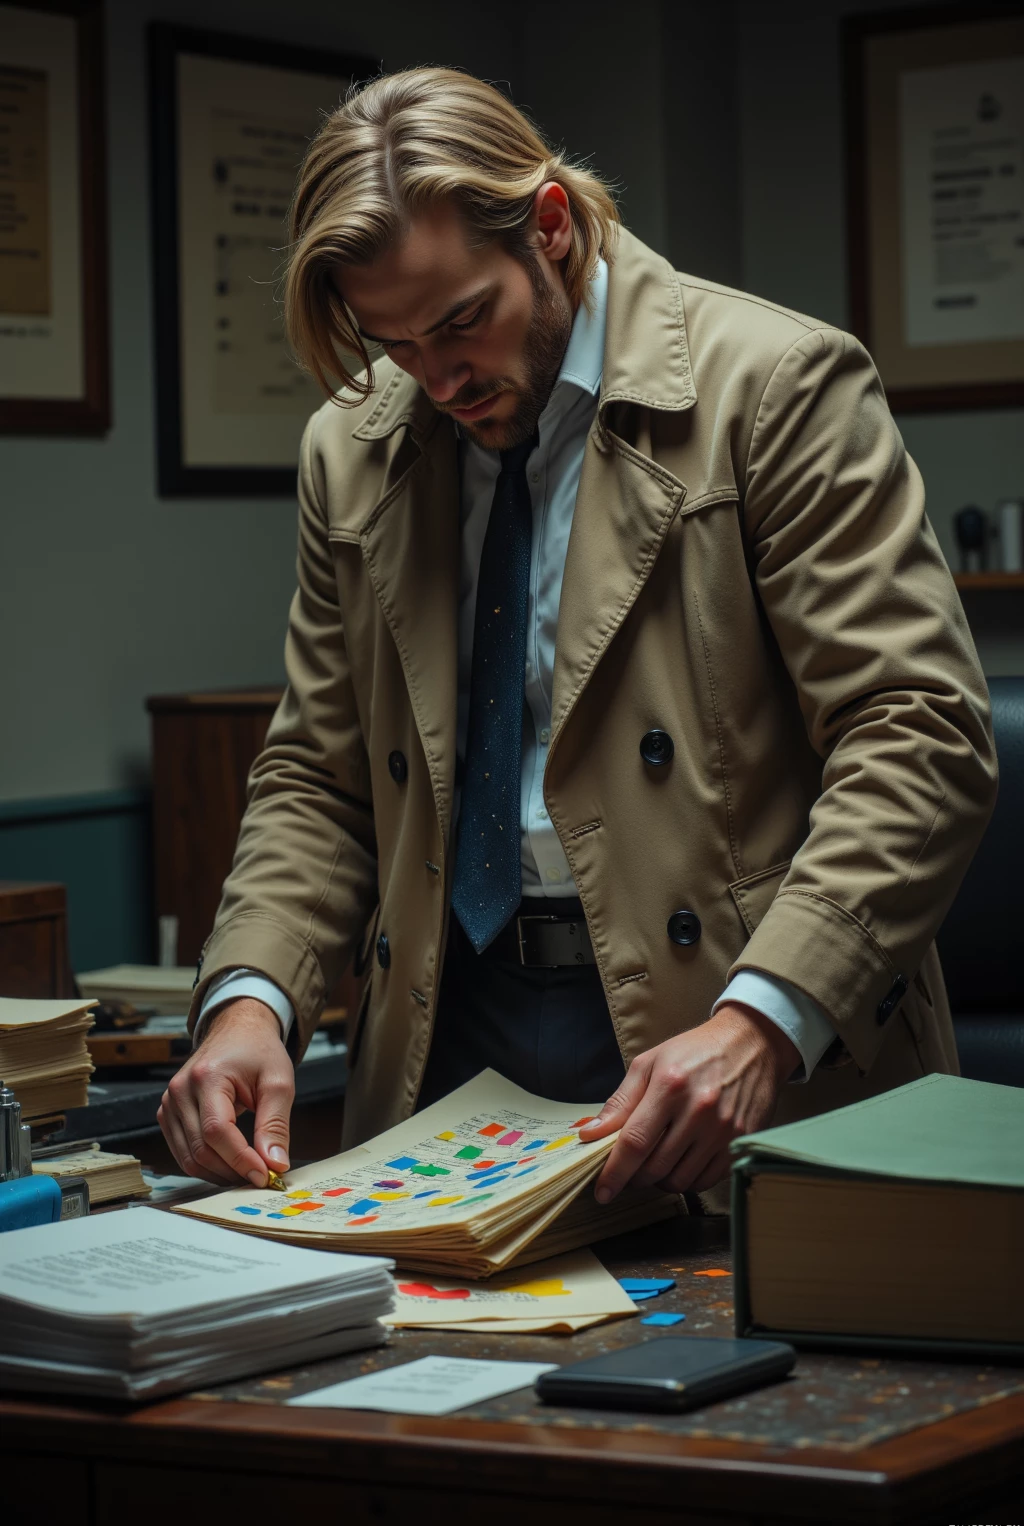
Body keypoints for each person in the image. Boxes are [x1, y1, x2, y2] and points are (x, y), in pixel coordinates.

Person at [158, 67, 996, 1213]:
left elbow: (919, 736)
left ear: (549, 226)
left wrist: (763, 1020)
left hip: (723, 1027)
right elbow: (319, 776)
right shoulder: (347, 447)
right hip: (451, 1041)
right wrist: (250, 999)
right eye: (393, 343)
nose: (438, 378)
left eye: (462, 321)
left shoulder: (776, 385)